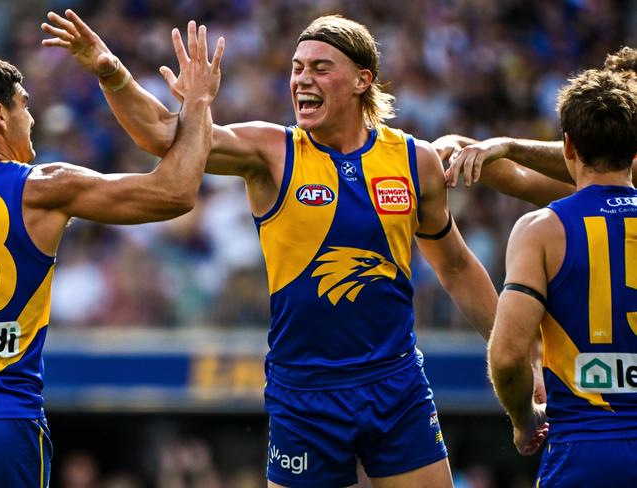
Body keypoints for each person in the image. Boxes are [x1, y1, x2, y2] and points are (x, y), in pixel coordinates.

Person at [42, 10, 498, 488]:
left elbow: (458, 268)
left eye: (321, 68)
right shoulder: (271, 152)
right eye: (297, 68)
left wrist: (514, 354)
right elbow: (161, 133)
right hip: (305, 393)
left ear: (363, 80)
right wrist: (109, 70)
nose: (303, 78)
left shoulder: (413, 160)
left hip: (396, 382)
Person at [0, 28, 223, 488]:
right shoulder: (43, 187)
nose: (31, 119)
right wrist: (196, 101)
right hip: (4, 421)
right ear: (0, 113)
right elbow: (174, 192)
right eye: (26, 104)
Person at [487, 69, 637, 487]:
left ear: (567, 145)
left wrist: (524, 421)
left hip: (582, 451)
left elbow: (507, 357)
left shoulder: (542, 229)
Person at [443, 47, 637, 194]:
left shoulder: (539, 228)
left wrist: (510, 146)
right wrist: (460, 146)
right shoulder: (592, 189)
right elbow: (521, 179)